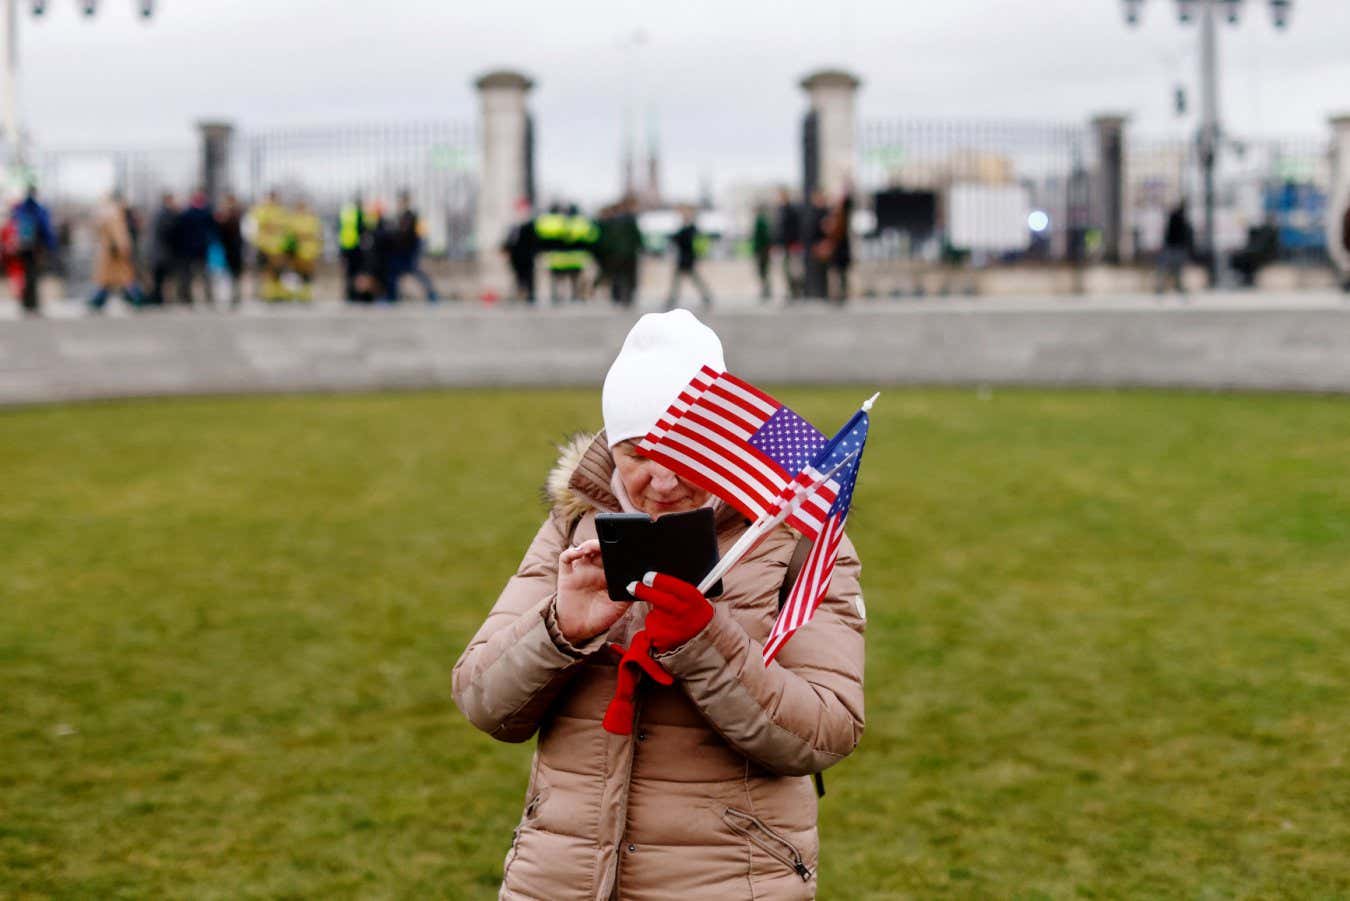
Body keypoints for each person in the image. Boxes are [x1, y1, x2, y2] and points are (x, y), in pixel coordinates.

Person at [453, 309, 866, 899]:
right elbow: (480, 700)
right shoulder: (574, 523)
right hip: (557, 879)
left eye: (684, 449)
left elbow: (827, 730)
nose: (663, 480)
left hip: (729, 881)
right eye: (637, 452)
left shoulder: (798, 533)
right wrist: (558, 630)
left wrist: (706, 643)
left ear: (724, 434)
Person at [87, 192, 145, 312]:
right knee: (124, 279)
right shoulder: (116, 215)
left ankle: (97, 301)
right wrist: (124, 249)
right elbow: (120, 235)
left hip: (110, 254)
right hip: (116, 254)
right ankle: (137, 299)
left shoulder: (106, 214)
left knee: (108, 281)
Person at [8, 186, 56, 316]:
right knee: (33, 275)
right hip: (36, 247)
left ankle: (25, 303)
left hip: (22, 247)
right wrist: (51, 246)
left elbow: (12, 225)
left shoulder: (19, 209)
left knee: (25, 274)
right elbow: (45, 228)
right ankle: (32, 304)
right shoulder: (39, 209)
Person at [385, 190, 438, 302]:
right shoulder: (400, 216)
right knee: (393, 273)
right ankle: (392, 296)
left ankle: (432, 294)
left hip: (409, 252)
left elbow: (412, 235)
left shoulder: (411, 216)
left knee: (416, 272)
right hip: (401, 252)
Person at [664, 205, 713, 310]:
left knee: (681, 281)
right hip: (687, 259)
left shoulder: (690, 230)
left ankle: (672, 299)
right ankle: (706, 297)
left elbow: (681, 240)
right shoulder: (691, 229)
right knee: (689, 280)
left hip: (686, 259)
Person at [175, 189, 217, 306]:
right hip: (196, 248)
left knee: (196, 275)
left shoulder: (188, 213)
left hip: (194, 248)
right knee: (198, 275)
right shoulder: (205, 213)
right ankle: (203, 298)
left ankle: (192, 298)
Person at [603, 194, 643, 307]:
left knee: (618, 276)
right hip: (629, 253)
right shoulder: (631, 219)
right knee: (629, 276)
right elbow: (636, 236)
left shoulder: (615, 219)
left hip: (617, 253)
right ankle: (628, 297)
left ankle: (617, 297)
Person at [502, 200, 538, 304]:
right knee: (518, 276)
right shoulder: (513, 226)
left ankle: (530, 296)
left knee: (529, 276)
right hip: (516, 256)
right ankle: (519, 294)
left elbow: (534, 241)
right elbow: (508, 241)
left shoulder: (530, 225)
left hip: (527, 255)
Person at [148, 193, 180, 305]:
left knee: (159, 278)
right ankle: (159, 299)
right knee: (163, 277)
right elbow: (169, 232)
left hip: (158, 251)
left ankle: (158, 298)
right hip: (164, 251)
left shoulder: (157, 213)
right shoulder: (166, 214)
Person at [1156, 201, 1193, 295]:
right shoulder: (1180, 219)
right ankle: (1168, 288)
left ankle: (1169, 287)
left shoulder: (1176, 218)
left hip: (1173, 247)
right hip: (1175, 247)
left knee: (1173, 270)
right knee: (1174, 270)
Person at [215, 193, 246, 306]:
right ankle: (228, 295)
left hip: (236, 248)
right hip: (226, 248)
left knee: (235, 273)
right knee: (225, 273)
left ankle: (235, 295)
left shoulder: (238, 214)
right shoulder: (222, 216)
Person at [775, 187, 805, 300]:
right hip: (784, 245)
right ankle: (791, 290)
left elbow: (795, 228)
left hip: (792, 244)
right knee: (787, 270)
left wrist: (796, 242)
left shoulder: (791, 210)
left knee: (794, 270)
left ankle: (796, 290)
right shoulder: (780, 210)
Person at [752, 202, 774, 301]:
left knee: (762, 271)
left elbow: (762, 237)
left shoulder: (760, 221)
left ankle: (766, 290)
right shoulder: (763, 220)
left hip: (762, 250)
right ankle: (766, 289)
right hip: (763, 250)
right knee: (764, 271)